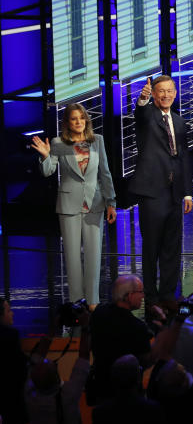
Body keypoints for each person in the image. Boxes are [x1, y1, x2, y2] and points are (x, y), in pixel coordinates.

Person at [31, 103, 117, 304]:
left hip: (94, 204)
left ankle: (93, 302)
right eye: (74, 118)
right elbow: (48, 171)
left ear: (86, 119)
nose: (78, 122)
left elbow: (105, 173)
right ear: (67, 122)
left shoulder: (97, 141)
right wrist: (45, 156)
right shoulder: (59, 142)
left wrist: (111, 202)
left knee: (94, 257)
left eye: (81, 118)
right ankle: (76, 302)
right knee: (71, 257)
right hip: (69, 205)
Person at [128, 76, 193, 308]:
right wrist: (143, 99)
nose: (166, 95)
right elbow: (141, 113)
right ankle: (151, 295)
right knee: (152, 247)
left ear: (175, 93)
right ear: (155, 95)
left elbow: (183, 157)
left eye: (169, 91)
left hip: (175, 193)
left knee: (172, 247)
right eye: (160, 92)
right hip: (153, 192)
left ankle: (168, 294)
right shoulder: (148, 117)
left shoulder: (179, 121)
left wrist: (187, 192)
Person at [88, 275, 154, 402]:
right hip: (128, 396)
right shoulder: (137, 327)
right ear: (129, 295)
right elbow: (146, 361)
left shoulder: (99, 313)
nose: (143, 296)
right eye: (141, 292)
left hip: (101, 390)